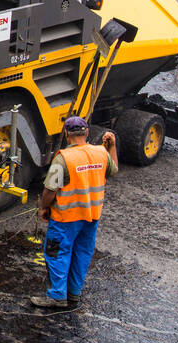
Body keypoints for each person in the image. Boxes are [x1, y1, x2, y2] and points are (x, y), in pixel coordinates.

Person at [31, 116, 117, 309]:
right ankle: (73, 293)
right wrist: (112, 146)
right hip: (91, 216)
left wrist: (44, 207)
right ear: (87, 132)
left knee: (56, 254)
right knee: (82, 253)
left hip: (66, 218)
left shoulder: (64, 158)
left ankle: (57, 296)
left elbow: (50, 190)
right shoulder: (101, 153)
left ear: (67, 135)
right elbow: (112, 170)